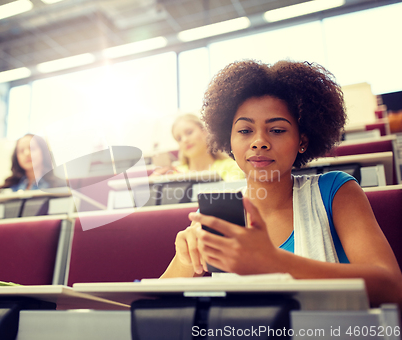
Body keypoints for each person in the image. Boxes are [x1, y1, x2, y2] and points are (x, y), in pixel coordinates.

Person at [161, 60, 402, 307]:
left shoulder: (336, 192)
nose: (259, 142)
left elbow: (391, 289)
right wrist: (185, 260)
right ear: (229, 141)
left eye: (276, 130)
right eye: (245, 131)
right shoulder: (216, 215)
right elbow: (153, 307)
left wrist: (273, 262)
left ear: (302, 140)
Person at [152, 114, 245, 182]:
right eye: (179, 138)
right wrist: (152, 183)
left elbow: (229, 196)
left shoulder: (231, 167)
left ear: (205, 132)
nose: (184, 140)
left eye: (189, 132)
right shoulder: (174, 174)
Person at [0, 134, 66, 192]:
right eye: (21, 150)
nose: (27, 153)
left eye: (32, 148)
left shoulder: (60, 185)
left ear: (43, 152)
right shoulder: (9, 187)